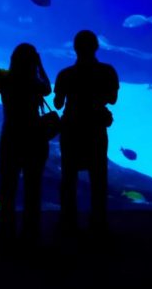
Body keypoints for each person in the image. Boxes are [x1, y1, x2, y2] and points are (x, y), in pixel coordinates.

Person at [54, 30, 119, 237]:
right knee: (99, 176)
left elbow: (57, 103)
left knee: (68, 176)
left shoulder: (65, 74)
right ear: (96, 47)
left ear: (74, 48)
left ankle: (68, 222)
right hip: (95, 128)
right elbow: (112, 99)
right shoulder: (107, 71)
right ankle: (99, 222)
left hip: (72, 127)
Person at [0, 43, 52, 247]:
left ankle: (5, 236)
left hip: (11, 137)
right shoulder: (35, 82)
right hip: (34, 137)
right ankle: (30, 236)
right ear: (33, 61)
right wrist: (39, 65)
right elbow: (48, 87)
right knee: (33, 188)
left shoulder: (2, 78)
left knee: (7, 188)